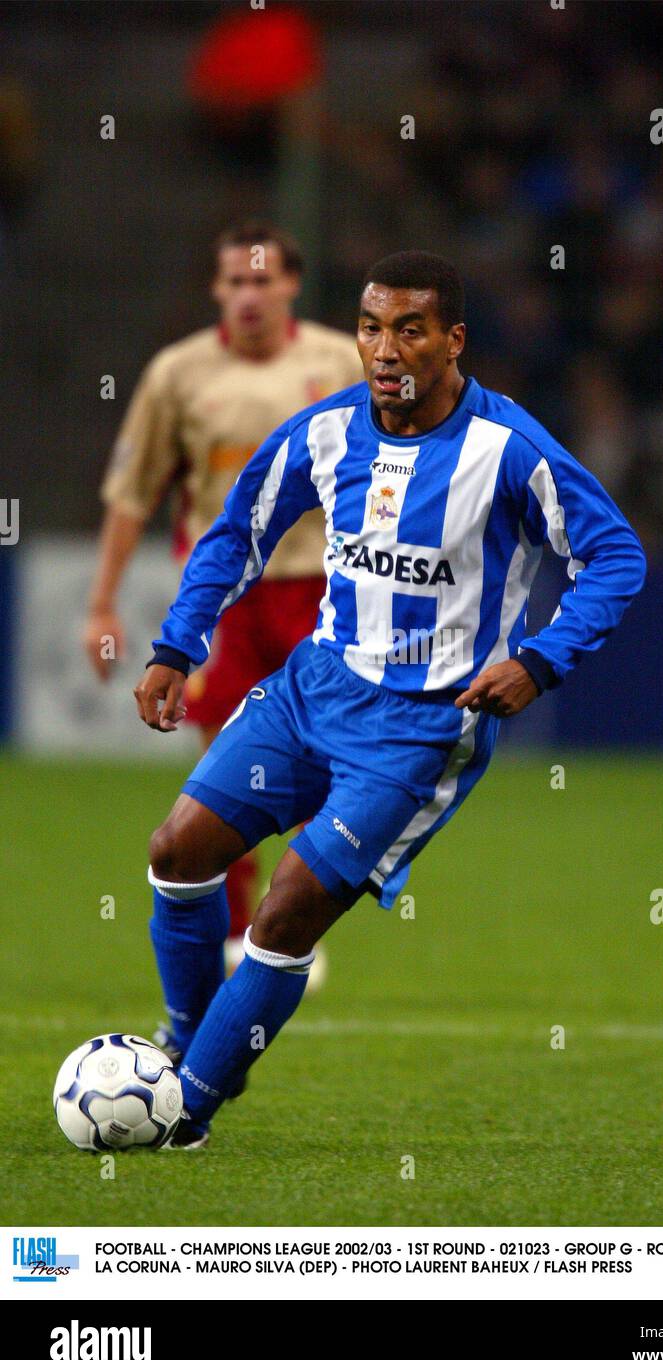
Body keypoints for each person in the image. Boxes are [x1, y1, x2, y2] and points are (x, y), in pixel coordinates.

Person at [133, 251, 647, 1148]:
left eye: (409, 329)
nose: (383, 348)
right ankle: (188, 1043)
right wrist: (178, 645)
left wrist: (541, 659)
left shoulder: (509, 451)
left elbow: (616, 556)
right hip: (313, 690)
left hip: (420, 730)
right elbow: (233, 534)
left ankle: (182, 1112)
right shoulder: (325, 432)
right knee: (178, 852)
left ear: (453, 341)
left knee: (286, 907)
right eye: (371, 327)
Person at [85, 221, 361, 983]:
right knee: (225, 769)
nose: (248, 294)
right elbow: (132, 493)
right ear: (217, 289)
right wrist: (102, 604)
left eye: (262, 279)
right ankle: (240, 933)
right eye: (234, 280)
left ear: (290, 286)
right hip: (228, 599)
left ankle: (294, 917)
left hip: (326, 594)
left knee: (333, 766)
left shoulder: (340, 361)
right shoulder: (177, 374)